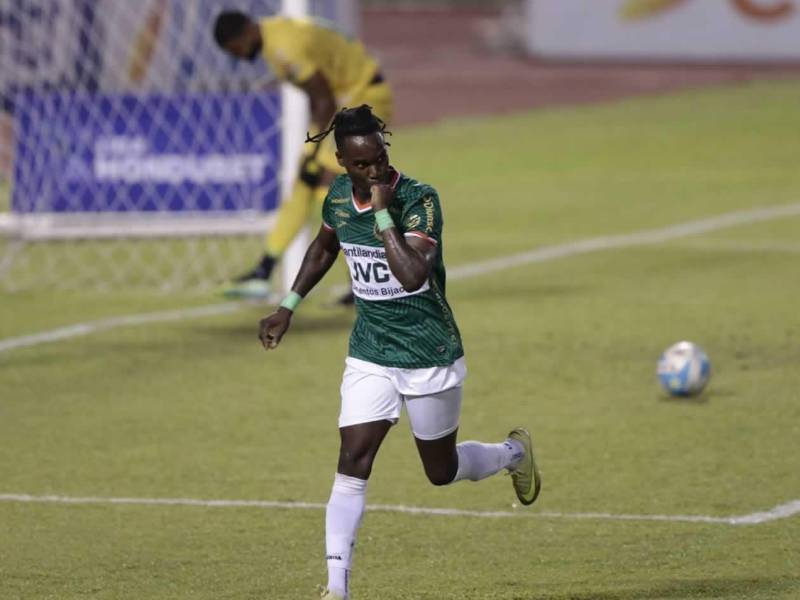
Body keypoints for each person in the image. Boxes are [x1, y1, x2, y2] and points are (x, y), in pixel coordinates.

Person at [258, 105, 542, 600]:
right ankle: (335, 587)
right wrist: (289, 305)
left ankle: (513, 454)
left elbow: (412, 275)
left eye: (381, 157)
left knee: (441, 471)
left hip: (428, 351)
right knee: (353, 458)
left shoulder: (418, 199)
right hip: (371, 352)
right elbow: (326, 248)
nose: (376, 170)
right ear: (343, 162)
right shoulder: (339, 199)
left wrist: (384, 209)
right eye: (363, 164)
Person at [213, 10, 393, 303]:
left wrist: (311, 150)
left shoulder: (283, 48)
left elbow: (323, 99)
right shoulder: (274, 32)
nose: (238, 56)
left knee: (326, 179)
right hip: (346, 97)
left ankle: (367, 278)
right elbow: (321, 96)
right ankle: (264, 270)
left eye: (235, 49)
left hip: (362, 94)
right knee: (307, 181)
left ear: (244, 34)